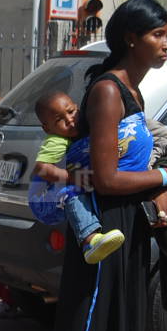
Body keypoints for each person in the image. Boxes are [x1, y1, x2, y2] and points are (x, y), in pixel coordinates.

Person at [49, 0, 167, 331]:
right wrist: (165, 178)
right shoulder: (107, 91)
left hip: (129, 228)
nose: (166, 43)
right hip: (102, 232)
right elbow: (105, 178)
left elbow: (133, 161)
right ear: (130, 38)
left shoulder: (134, 92)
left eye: (166, 33)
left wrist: (161, 188)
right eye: (158, 35)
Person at [32, 90, 128, 264]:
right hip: (42, 200)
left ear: (77, 108)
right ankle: (90, 241)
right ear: (47, 128)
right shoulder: (56, 141)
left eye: (70, 112)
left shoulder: (78, 133)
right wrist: (70, 177)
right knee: (72, 191)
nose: (69, 120)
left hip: (54, 192)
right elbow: (41, 169)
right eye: (59, 120)